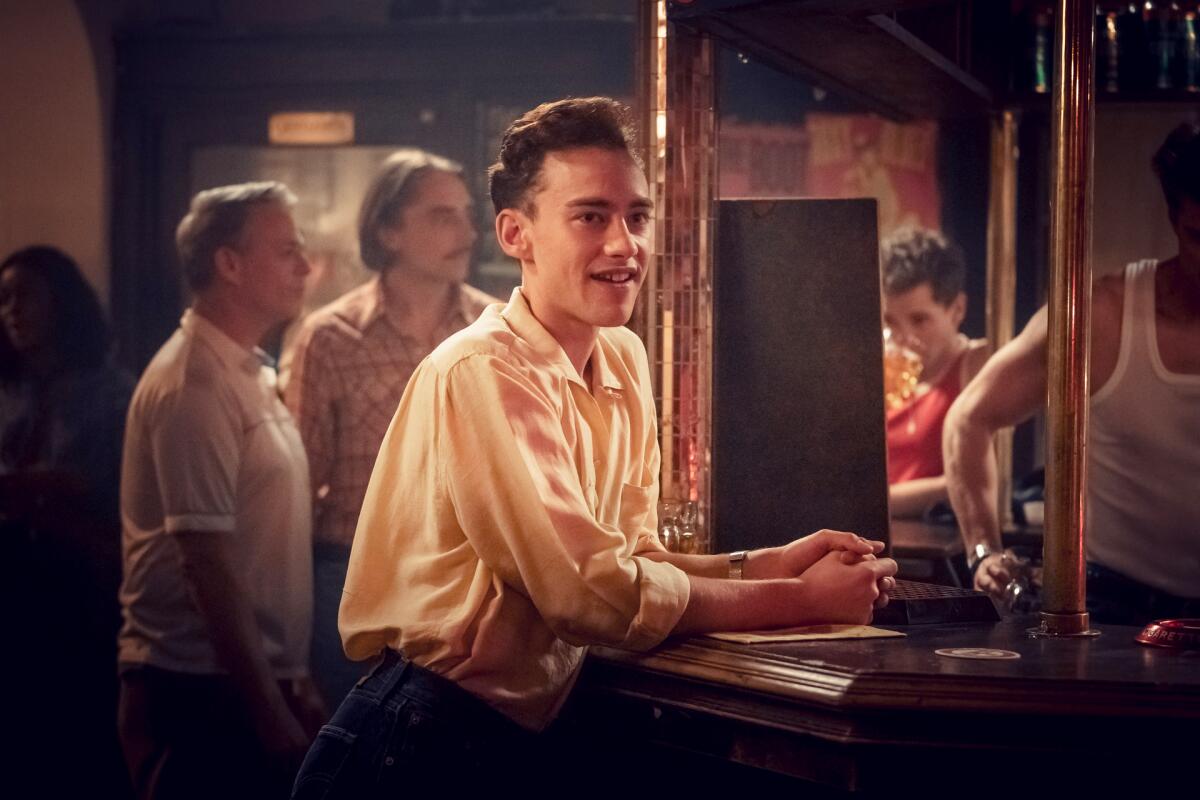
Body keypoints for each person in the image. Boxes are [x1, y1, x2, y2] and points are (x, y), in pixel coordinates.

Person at [291, 97, 897, 797]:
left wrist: (766, 562)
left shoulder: (623, 355)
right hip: (416, 737)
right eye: (590, 216)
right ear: (516, 234)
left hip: (511, 739)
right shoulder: (483, 368)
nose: (625, 243)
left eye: (637, 216)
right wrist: (798, 598)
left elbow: (627, 559)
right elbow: (587, 597)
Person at [117, 182, 325, 800]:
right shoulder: (194, 382)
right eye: (287, 250)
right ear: (228, 265)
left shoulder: (245, 369)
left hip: (242, 679)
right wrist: (267, 706)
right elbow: (203, 560)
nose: (306, 266)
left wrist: (292, 673)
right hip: (200, 686)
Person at [944, 122, 1200, 624]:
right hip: (1113, 606)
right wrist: (983, 552)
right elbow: (967, 421)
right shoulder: (1100, 316)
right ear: (1174, 220)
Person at [283, 149, 493, 707]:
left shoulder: (492, 330)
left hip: (467, 584)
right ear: (389, 231)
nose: (469, 233)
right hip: (354, 574)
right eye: (442, 215)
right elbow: (299, 490)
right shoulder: (329, 336)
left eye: (467, 215)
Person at [1, 245, 134, 798]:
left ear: (62, 303)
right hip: (15, 590)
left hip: (84, 591)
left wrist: (32, 487)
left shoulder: (111, 394)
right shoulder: (12, 393)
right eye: (3, 299)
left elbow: (94, 486)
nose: (11, 310)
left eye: (23, 295)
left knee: (79, 743)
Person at [881, 227, 988, 518]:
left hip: (940, 550)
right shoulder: (878, 369)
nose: (902, 337)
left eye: (919, 320)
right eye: (890, 321)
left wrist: (875, 502)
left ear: (957, 309)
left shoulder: (976, 364)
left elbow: (978, 482)